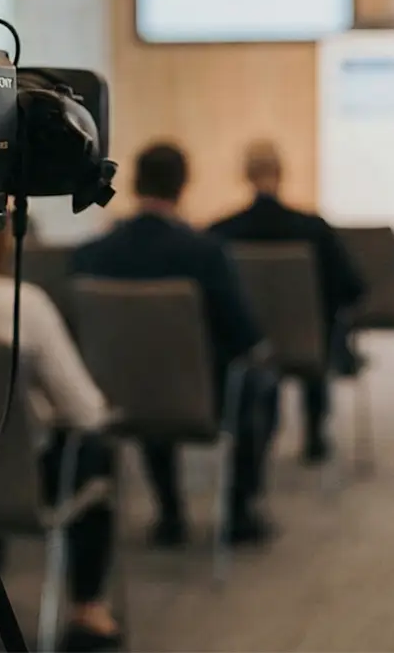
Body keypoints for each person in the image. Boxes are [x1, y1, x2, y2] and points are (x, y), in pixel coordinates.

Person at [72, 142, 278, 546]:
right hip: (200, 399)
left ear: (133, 184)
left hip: (114, 399)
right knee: (259, 382)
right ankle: (238, 512)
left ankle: (169, 512)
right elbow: (244, 337)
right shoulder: (204, 253)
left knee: (146, 372)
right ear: (183, 186)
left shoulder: (91, 257)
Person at [0, 220, 124, 651]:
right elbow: (85, 410)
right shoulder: (23, 304)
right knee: (93, 451)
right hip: (23, 483)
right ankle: (88, 610)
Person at [210, 140, 366, 463]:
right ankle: (315, 434)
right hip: (307, 345)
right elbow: (351, 288)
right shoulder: (313, 230)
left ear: (246, 175)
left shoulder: (221, 233)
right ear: (281, 173)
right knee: (323, 322)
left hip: (245, 345)